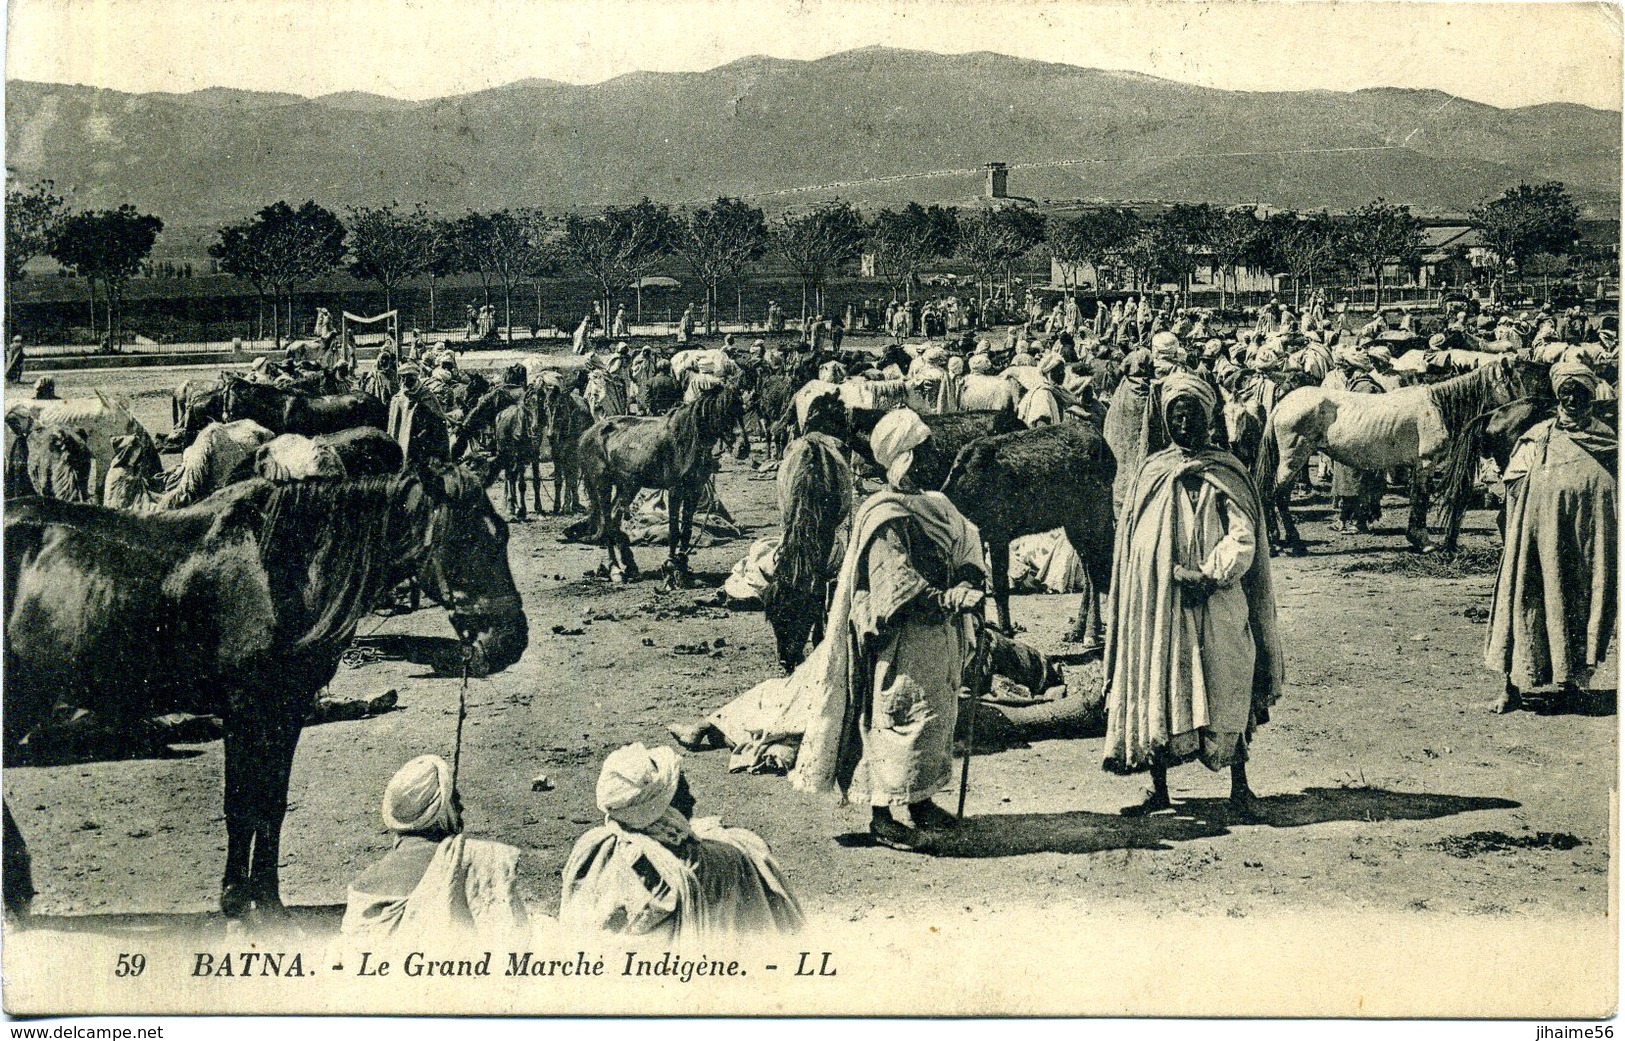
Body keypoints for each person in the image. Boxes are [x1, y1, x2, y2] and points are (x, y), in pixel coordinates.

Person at [791, 409, 987, 852]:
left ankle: (919, 803)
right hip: (901, 636)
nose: (931, 459)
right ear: (904, 458)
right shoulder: (883, 514)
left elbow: (969, 543)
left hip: (939, 634)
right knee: (895, 720)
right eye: (922, 452)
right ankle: (882, 814)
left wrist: (969, 578)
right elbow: (894, 584)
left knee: (934, 718)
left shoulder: (937, 504)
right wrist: (945, 599)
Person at [1101, 371, 1284, 821]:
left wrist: (1209, 574)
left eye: (1193, 415)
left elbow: (1244, 537)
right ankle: (1159, 787)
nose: (1185, 425)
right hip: (1160, 604)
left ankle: (1240, 788)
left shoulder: (1226, 472)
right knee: (1160, 684)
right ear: (1166, 421)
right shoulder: (1151, 472)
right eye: (1176, 416)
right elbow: (1131, 543)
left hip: (1217, 600)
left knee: (1228, 681)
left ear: (1209, 418)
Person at [560, 743, 804, 942]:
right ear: (662, 808)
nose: (693, 800)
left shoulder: (593, 846)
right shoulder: (716, 861)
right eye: (683, 793)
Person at [1485, 360, 1617, 714]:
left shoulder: (1607, 441)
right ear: (1558, 396)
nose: (1573, 399)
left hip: (1586, 544)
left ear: (1591, 396)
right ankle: (1511, 689)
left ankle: (1573, 683)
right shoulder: (1538, 437)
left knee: (1579, 604)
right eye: (1566, 392)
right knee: (1526, 602)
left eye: (1580, 393)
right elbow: (1512, 482)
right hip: (1538, 541)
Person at [340, 755, 528, 942]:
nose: (461, 807)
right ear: (436, 809)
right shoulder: (477, 858)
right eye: (453, 798)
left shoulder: (361, 885)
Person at [387, 365, 451, 467]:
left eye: (409, 378)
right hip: (402, 445)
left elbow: (439, 423)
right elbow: (393, 428)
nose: (405, 381)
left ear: (416, 378)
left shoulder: (427, 397)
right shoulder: (398, 399)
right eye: (402, 377)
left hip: (423, 446)